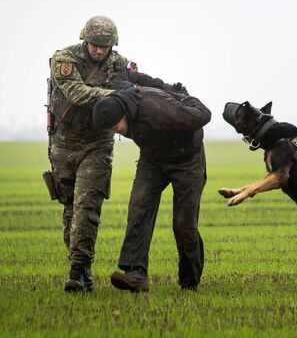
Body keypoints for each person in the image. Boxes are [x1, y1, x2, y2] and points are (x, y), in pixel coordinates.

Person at [48, 16, 187, 292]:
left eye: (106, 46)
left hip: (98, 144)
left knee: (87, 206)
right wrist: (117, 96)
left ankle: (76, 268)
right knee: (70, 209)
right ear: (84, 40)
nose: (100, 50)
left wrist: (171, 93)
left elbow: (139, 84)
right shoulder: (64, 59)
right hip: (64, 145)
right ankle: (82, 266)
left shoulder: (119, 63)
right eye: (96, 45)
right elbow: (76, 93)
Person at [92, 85, 211, 292]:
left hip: (187, 160)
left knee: (184, 224)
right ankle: (135, 273)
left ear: (124, 113)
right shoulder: (121, 101)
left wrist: (183, 97)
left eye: (114, 126)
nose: (113, 132)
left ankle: (189, 283)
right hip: (153, 159)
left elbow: (203, 115)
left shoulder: (159, 111)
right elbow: (136, 79)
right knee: (138, 209)